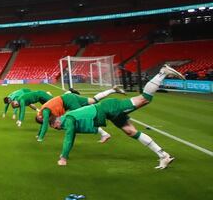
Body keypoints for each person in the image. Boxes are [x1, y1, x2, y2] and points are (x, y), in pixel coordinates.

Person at [52, 65, 183, 168]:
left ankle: (162, 72)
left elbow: (69, 138)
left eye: (54, 127)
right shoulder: (69, 119)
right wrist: (103, 134)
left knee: (144, 99)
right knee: (131, 132)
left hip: (110, 108)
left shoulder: (68, 119)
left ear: (56, 123)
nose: (56, 129)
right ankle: (163, 156)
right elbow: (78, 131)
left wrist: (63, 157)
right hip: (109, 114)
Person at [35, 87, 124, 141]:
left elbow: (45, 125)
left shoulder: (45, 112)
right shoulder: (44, 112)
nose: (43, 120)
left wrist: (40, 137)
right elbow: (44, 124)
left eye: (41, 119)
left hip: (69, 101)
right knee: (93, 100)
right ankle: (112, 90)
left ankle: (104, 133)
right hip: (69, 98)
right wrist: (39, 134)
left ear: (39, 116)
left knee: (82, 118)